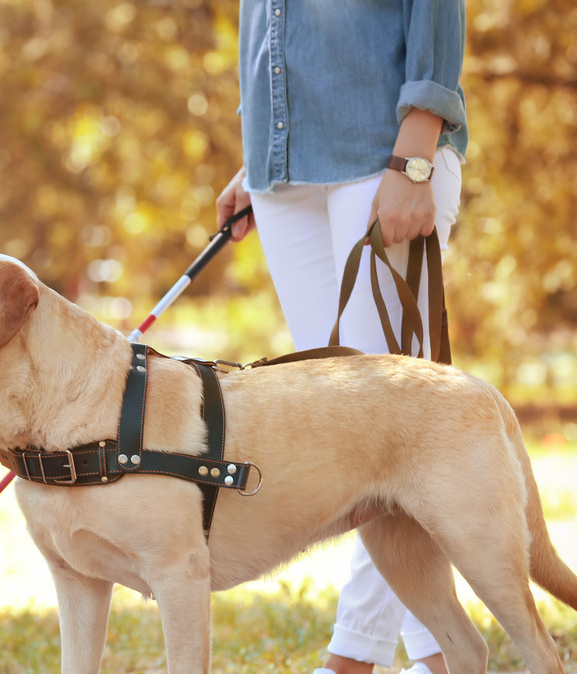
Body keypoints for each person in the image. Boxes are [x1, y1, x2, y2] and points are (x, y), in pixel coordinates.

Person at [214, 2, 469, 673]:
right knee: (347, 429)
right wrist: (266, 154)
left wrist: (416, 157)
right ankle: (441, 658)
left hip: (380, 158)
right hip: (285, 176)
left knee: (386, 430)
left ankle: (352, 659)